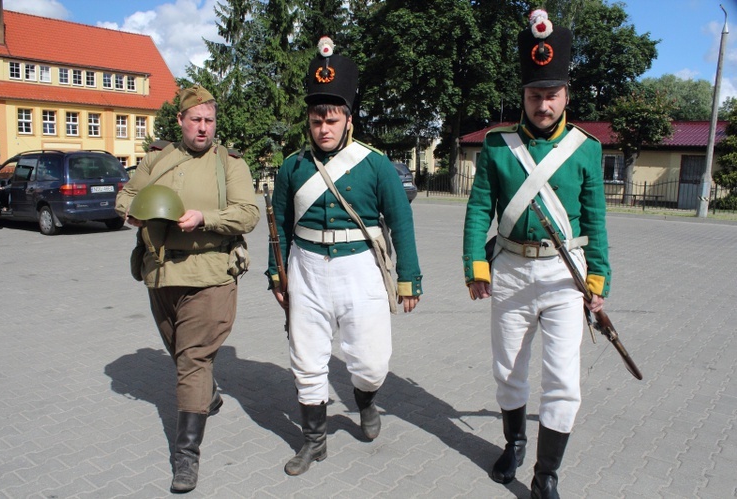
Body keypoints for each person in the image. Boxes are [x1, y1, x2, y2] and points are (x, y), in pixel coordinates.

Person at [462, 10, 611, 499]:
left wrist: (599, 279)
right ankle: (515, 441)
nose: (542, 105)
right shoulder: (498, 146)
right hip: (508, 270)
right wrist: (475, 264)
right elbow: (479, 206)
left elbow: (595, 221)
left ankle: (546, 472)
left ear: (566, 94)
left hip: (565, 275)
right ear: (522, 95)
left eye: (550, 95)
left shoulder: (585, 148)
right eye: (533, 95)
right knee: (507, 369)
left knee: (564, 378)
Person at [266, 37, 423, 476]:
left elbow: (401, 223)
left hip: (361, 270)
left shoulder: (374, 164)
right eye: (317, 120)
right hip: (307, 269)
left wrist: (409, 278)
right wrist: (275, 275)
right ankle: (314, 441)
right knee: (306, 358)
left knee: (371, 362)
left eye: (332, 120)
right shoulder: (293, 167)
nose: (324, 129)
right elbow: (278, 227)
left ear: (348, 120)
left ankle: (366, 401)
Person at [115, 85, 260, 493]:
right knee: (179, 351)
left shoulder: (229, 163)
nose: (202, 127)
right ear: (180, 121)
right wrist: (134, 214)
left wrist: (205, 218)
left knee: (192, 359)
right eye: (195, 119)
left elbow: (248, 214)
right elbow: (125, 197)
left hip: (210, 273)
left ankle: (186, 456)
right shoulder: (157, 159)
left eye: (209, 120)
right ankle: (207, 394)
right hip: (161, 273)